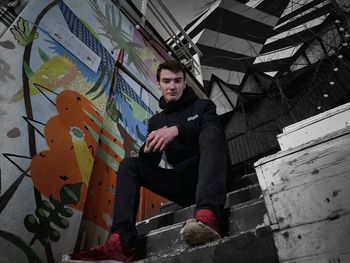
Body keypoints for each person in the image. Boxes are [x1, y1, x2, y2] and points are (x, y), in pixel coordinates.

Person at [69, 60, 228, 262]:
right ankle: (121, 243)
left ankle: (208, 214)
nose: (172, 86)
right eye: (167, 81)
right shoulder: (156, 121)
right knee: (130, 165)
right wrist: (148, 148)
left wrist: (178, 130)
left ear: (185, 83)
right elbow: (149, 163)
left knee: (211, 132)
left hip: (212, 179)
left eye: (177, 81)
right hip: (183, 185)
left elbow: (215, 134)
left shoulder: (203, 106)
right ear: (158, 85)